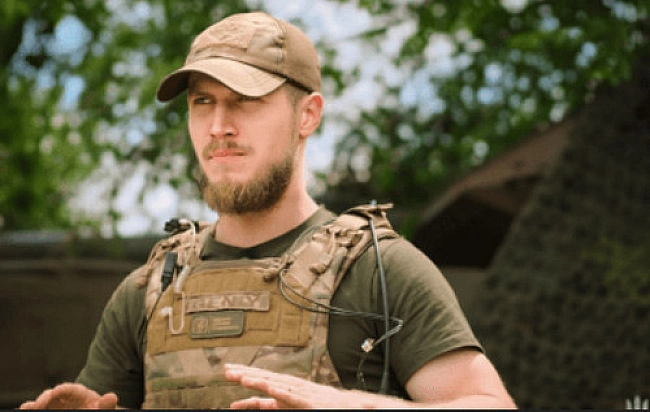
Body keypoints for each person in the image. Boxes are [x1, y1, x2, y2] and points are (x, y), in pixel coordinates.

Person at [20, 11, 516, 409]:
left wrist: (355, 406)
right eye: (202, 102)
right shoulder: (150, 291)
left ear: (308, 115)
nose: (219, 125)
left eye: (244, 100)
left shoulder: (378, 271)